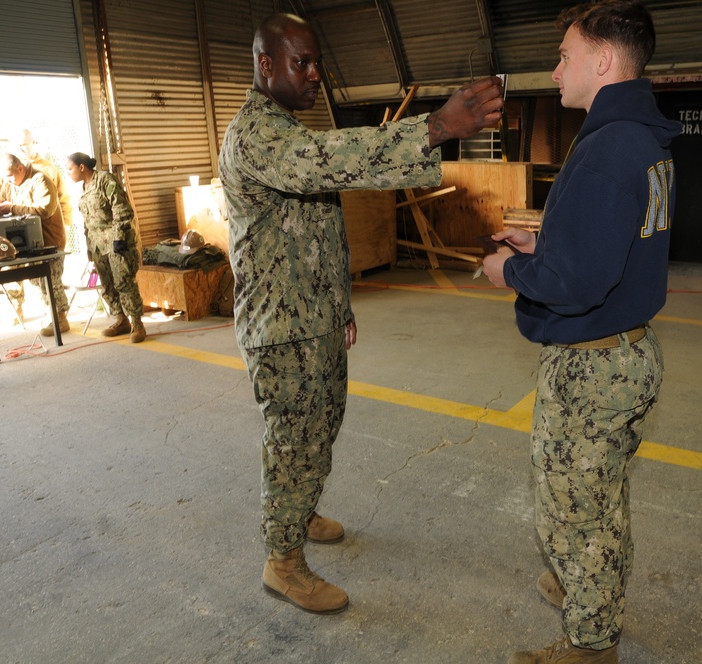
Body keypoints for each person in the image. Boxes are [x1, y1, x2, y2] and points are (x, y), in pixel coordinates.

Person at [218, 12, 503, 615]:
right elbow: (325, 162)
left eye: (318, 62)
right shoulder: (258, 135)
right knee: (294, 438)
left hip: (314, 316)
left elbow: (321, 224)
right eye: (303, 62)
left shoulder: (287, 126)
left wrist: (340, 303)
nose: (316, 75)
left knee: (323, 423)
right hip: (281, 329)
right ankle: (283, 560)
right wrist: (434, 128)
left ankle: (301, 507)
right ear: (265, 64)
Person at [481, 1, 680, 661]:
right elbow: (608, 243)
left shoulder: (606, 146)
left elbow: (578, 283)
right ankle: (588, 582)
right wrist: (541, 242)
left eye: (565, 55)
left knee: (573, 508)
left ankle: (591, 643)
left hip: (594, 366)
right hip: (628, 350)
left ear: (602, 61)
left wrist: (510, 269)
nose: (556, 67)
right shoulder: (640, 138)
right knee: (603, 493)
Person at [0, 153, 70, 337]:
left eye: (9, 176)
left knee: (52, 281)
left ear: (20, 169)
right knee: (38, 281)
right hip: (30, 243)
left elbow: (45, 210)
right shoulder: (10, 183)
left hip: (50, 241)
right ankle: (52, 314)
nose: (7, 181)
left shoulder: (40, 180)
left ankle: (61, 319)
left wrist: (11, 208)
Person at [65, 153, 146, 343]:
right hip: (98, 246)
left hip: (116, 243)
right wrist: (89, 249)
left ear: (82, 167)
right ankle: (120, 319)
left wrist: (119, 238)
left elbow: (122, 209)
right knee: (107, 285)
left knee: (124, 283)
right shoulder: (84, 188)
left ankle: (137, 324)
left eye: (70, 169)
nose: (68, 173)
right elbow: (88, 222)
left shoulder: (105, 180)